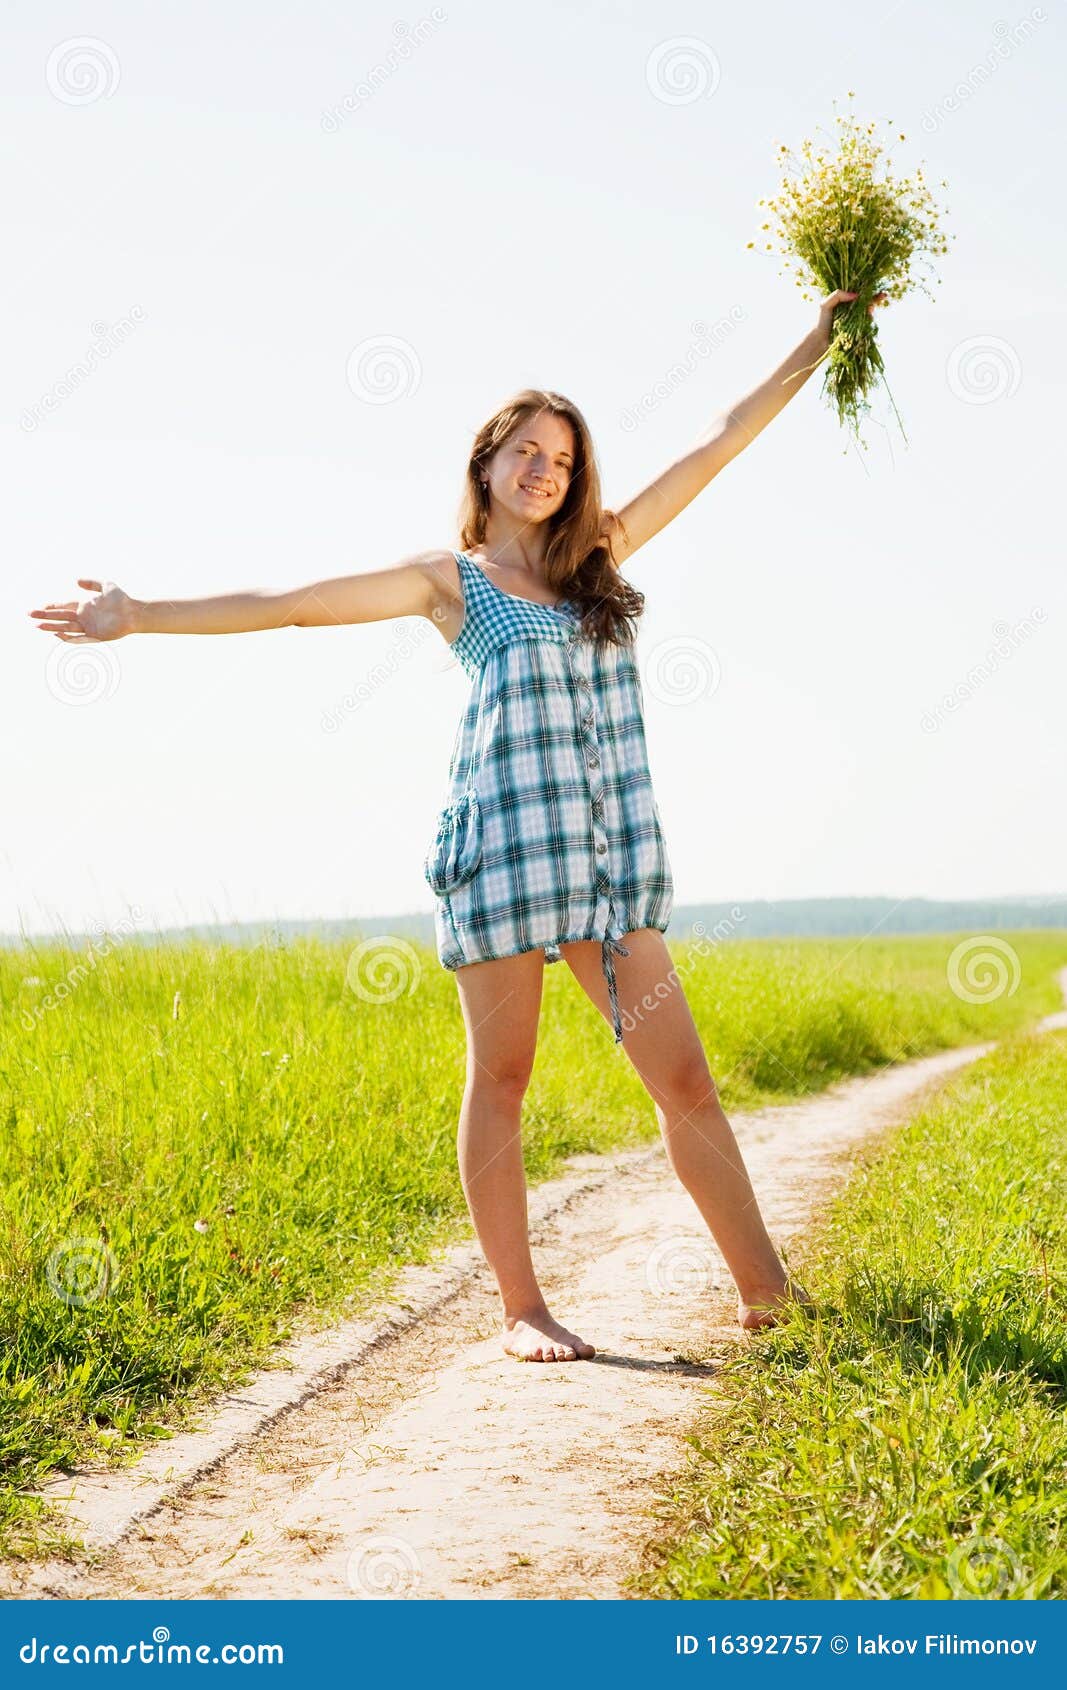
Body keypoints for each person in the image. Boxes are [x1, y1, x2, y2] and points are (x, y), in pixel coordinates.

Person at [29, 288, 887, 1363]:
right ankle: (522, 1309)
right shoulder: (454, 582)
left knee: (684, 1079)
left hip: (610, 862)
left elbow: (715, 447)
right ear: (484, 465)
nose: (545, 471)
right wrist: (141, 614)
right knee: (505, 1077)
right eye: (525, 451)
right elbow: (295, 601)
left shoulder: (598, 564)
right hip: (503, 856)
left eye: (563, 460)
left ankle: (765, 1292)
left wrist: (814, 342)